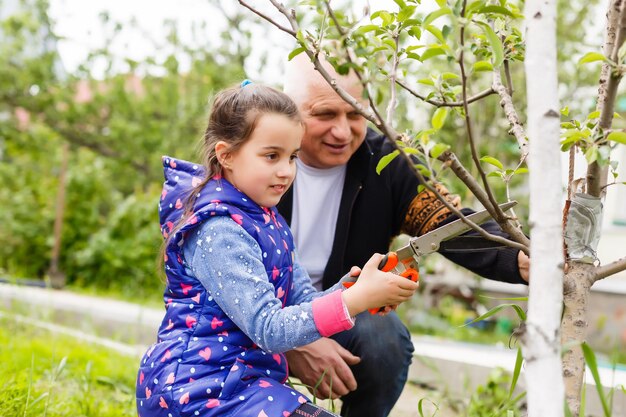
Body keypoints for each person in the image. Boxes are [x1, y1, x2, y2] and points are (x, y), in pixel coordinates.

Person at [135, 82, 419, 417]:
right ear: (225, 155)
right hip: (196, 389)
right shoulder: (219, 230)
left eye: (292, 157)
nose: (286, 171)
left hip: (247, 382)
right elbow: (269, 328)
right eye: (272, 156)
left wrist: (355, 289)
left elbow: (304, 302)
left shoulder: (270, 222)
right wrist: (353, 301)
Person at [277, 54, 531, 417]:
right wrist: (294, 346)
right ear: (289, 109)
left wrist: (517, 259)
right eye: (324, 114)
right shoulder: (257, 158)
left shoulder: (387, 161)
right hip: (254, 309)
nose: (343, 131)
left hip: (342, 308)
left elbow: (446, 221)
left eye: (355, 113)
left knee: (386, 341)